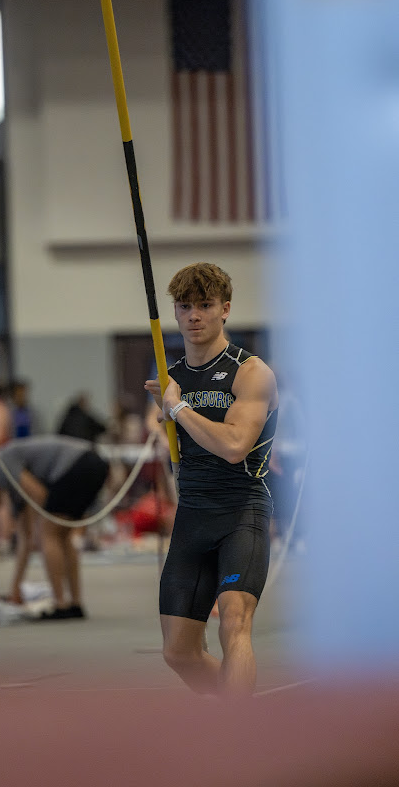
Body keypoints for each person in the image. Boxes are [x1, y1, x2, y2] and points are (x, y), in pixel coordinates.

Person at [145, 262, 278, 696]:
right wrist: (165, 408)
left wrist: (178, 409)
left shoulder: (251, 372)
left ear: (225, 309)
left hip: (242, 512)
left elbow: (236, 445)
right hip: (193, 517)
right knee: (177, 652)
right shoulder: (173, 379)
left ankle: (238, 734)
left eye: (204, 305)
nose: (193, 315)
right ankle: (231, 710)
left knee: (234, 626)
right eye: (184, 306)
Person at [0, 435, 109, 618]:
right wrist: (15, 590)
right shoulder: (11, 489)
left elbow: (40, 495)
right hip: (95, 463)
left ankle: (60, 604)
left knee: (48, 534)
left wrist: (41, 528)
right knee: (62, 536)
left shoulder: (1, 465)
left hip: (78, 463)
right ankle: (75, 604)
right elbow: (24, 540)